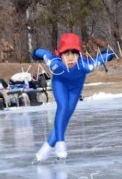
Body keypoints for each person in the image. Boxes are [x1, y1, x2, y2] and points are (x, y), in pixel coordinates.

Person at [33, 33, 116, 162]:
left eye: (74, 54)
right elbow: (44, 53)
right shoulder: (55, 64)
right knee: (63, 107)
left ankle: (46, 149)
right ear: (60, 55)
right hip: (60, 84)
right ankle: (60, 144)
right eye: (67, 54)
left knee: (66, 117)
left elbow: (99, 59)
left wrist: (109, 54)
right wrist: (35, 52)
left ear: (79, 55)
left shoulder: (85, 66)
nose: (71, 58)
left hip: (75, 89)